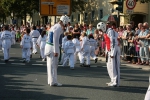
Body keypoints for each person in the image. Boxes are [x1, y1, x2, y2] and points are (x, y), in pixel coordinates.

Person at [45, 15, 70, 86]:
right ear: (64, 21)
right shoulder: (58, 27)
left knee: (50, 65)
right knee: (54, 65)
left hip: (49, 46)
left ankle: (50, 80)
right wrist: (56, 51)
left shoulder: (55, 26)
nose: (66, 25)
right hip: (52, 47)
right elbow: (55, 40)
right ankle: (53, 81)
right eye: (66, 23)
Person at [97, 22, 120, 87]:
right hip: (109, 50)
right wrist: (106, 52)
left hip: (114, 50)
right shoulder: (106, 32)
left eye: (100, 30)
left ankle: (116, 82)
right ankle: (112, 80)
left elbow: (113, 42)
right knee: (109, 66)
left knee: (114, 66)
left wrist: (112, 52)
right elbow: (107, 42)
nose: (100, 31)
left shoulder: (110, 31)